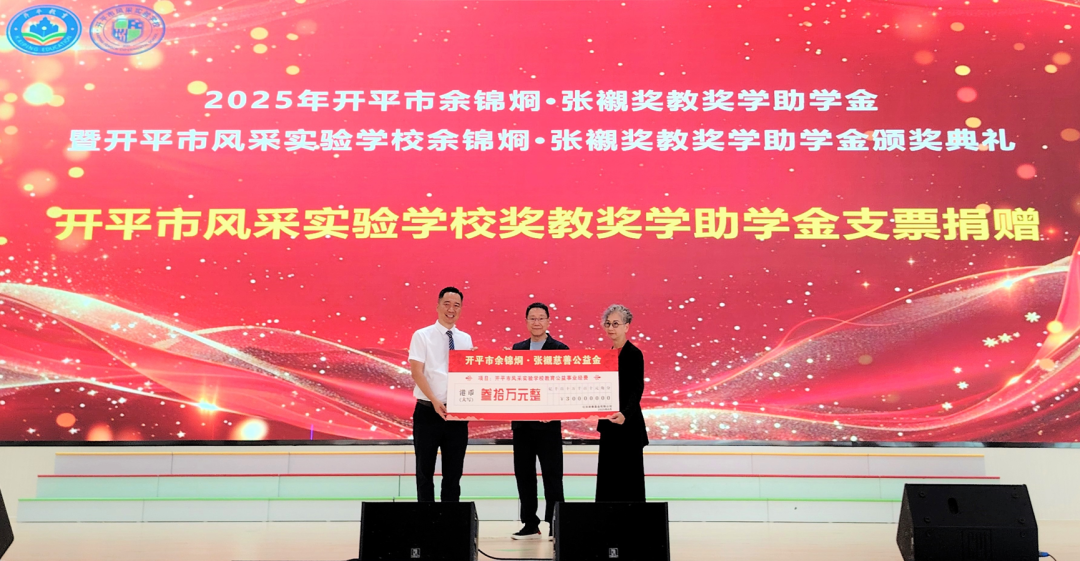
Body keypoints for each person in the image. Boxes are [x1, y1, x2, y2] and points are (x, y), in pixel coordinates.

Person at [409, 287, 474, 502]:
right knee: (424, 472)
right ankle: (427, 519)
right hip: (428, 412)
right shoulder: (422, 335)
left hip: (456, 415)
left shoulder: (465, 339)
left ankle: (450, 518)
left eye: (456, 305)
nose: (451, 309)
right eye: (447, 304)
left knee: (453, 474)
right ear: (437, 306)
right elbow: (417, 372)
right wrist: (435, 401)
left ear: (461, 309)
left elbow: (468, 375)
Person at [509, 302, 568, 540]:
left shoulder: (560, 349)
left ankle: (556, 524)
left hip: (548, 425)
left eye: (541, 318)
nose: (536, 322)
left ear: (548, 321)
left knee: (552, 476)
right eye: (532, 318)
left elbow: (567, 387)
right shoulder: (517, 349)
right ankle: (530, 524)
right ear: (526, 322)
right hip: (522, 425)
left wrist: (554, 410)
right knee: (524, 476)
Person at [594, 304, 648, 502]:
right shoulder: (605, 356)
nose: (611, 328)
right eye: (608, 323)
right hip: (609, 423)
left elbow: (636, 389)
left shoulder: (634, 354)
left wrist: (625, 413)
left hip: (628, 425)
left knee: (629, 480)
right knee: (608, 479)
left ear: (626, 326)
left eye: (616, 324)